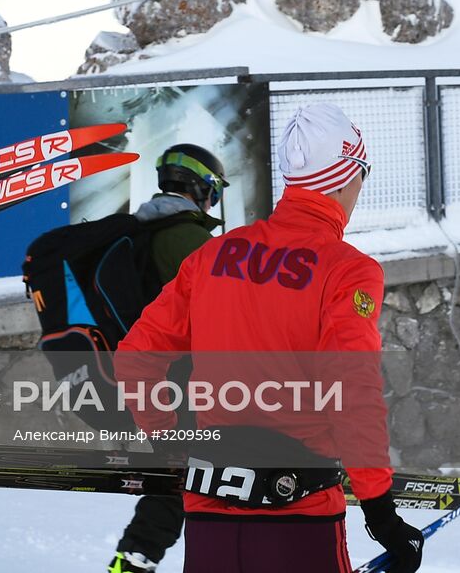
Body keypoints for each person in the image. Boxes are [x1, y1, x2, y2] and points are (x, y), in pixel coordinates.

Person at [116, 104, 424, 573]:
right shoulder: (348, 271)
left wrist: (171, 444)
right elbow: (351, 391)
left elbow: (137, 356)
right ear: (345, 177)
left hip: (208, 506)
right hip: (299, 513)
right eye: (364, 172)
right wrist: (381, 511)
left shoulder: (214, 255)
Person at [109, 144, 228, 573]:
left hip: (152, 377)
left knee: (189, 477)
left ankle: (136, 559)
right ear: (202, 189)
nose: (214, 202)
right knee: (191, 478)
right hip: (187, 382)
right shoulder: (191, 240)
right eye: (213, 192)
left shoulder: (142, 229)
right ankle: (135, 559)